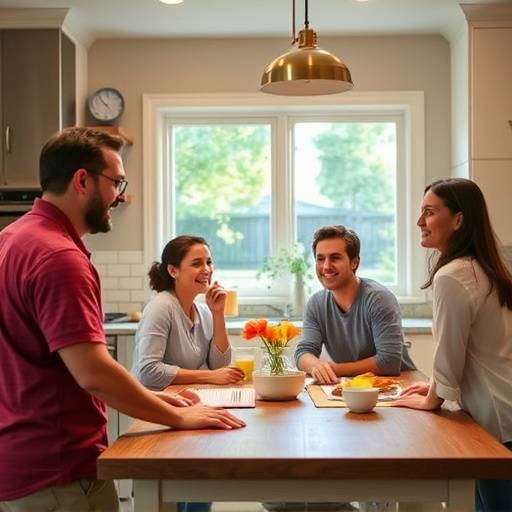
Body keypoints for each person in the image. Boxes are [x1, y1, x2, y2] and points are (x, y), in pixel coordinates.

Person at [0, 127, 244, 512]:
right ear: (83, 180)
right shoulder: (59, 257)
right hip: (60, 472)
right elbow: (93, 373)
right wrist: (177, 418)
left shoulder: (12, 239)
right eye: (117, 182)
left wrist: (151, 398)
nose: (121, 195)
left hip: (21, 462)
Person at [394, 178, 512, 512]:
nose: (420, 222)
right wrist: (433, 386)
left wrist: (432, 398)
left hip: (497, 422)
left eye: (429, 212)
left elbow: (451, 352)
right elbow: (481, 349)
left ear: (458, 220)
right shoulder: (483, 268)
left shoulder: (453, 276)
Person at [295, 225, 415, 384]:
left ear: (354, 262)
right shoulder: (316, 304)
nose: (326, 266)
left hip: (399, 385)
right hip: (354, 387)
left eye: (335, 257)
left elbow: (389, 362)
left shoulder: (378, 299)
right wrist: (315, 366)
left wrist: (332, 369)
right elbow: (303, 353)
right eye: (320, 258)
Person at [132, 235, 245, 389]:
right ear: (173, 271)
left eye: (209, 262)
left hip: (187, 399)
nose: (206, 269)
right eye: (196, 263)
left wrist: (218, 314)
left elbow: (219, 365)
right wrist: (209, 376)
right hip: (157, 405)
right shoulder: (161, 306)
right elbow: (148, 371)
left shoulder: (204, 311)